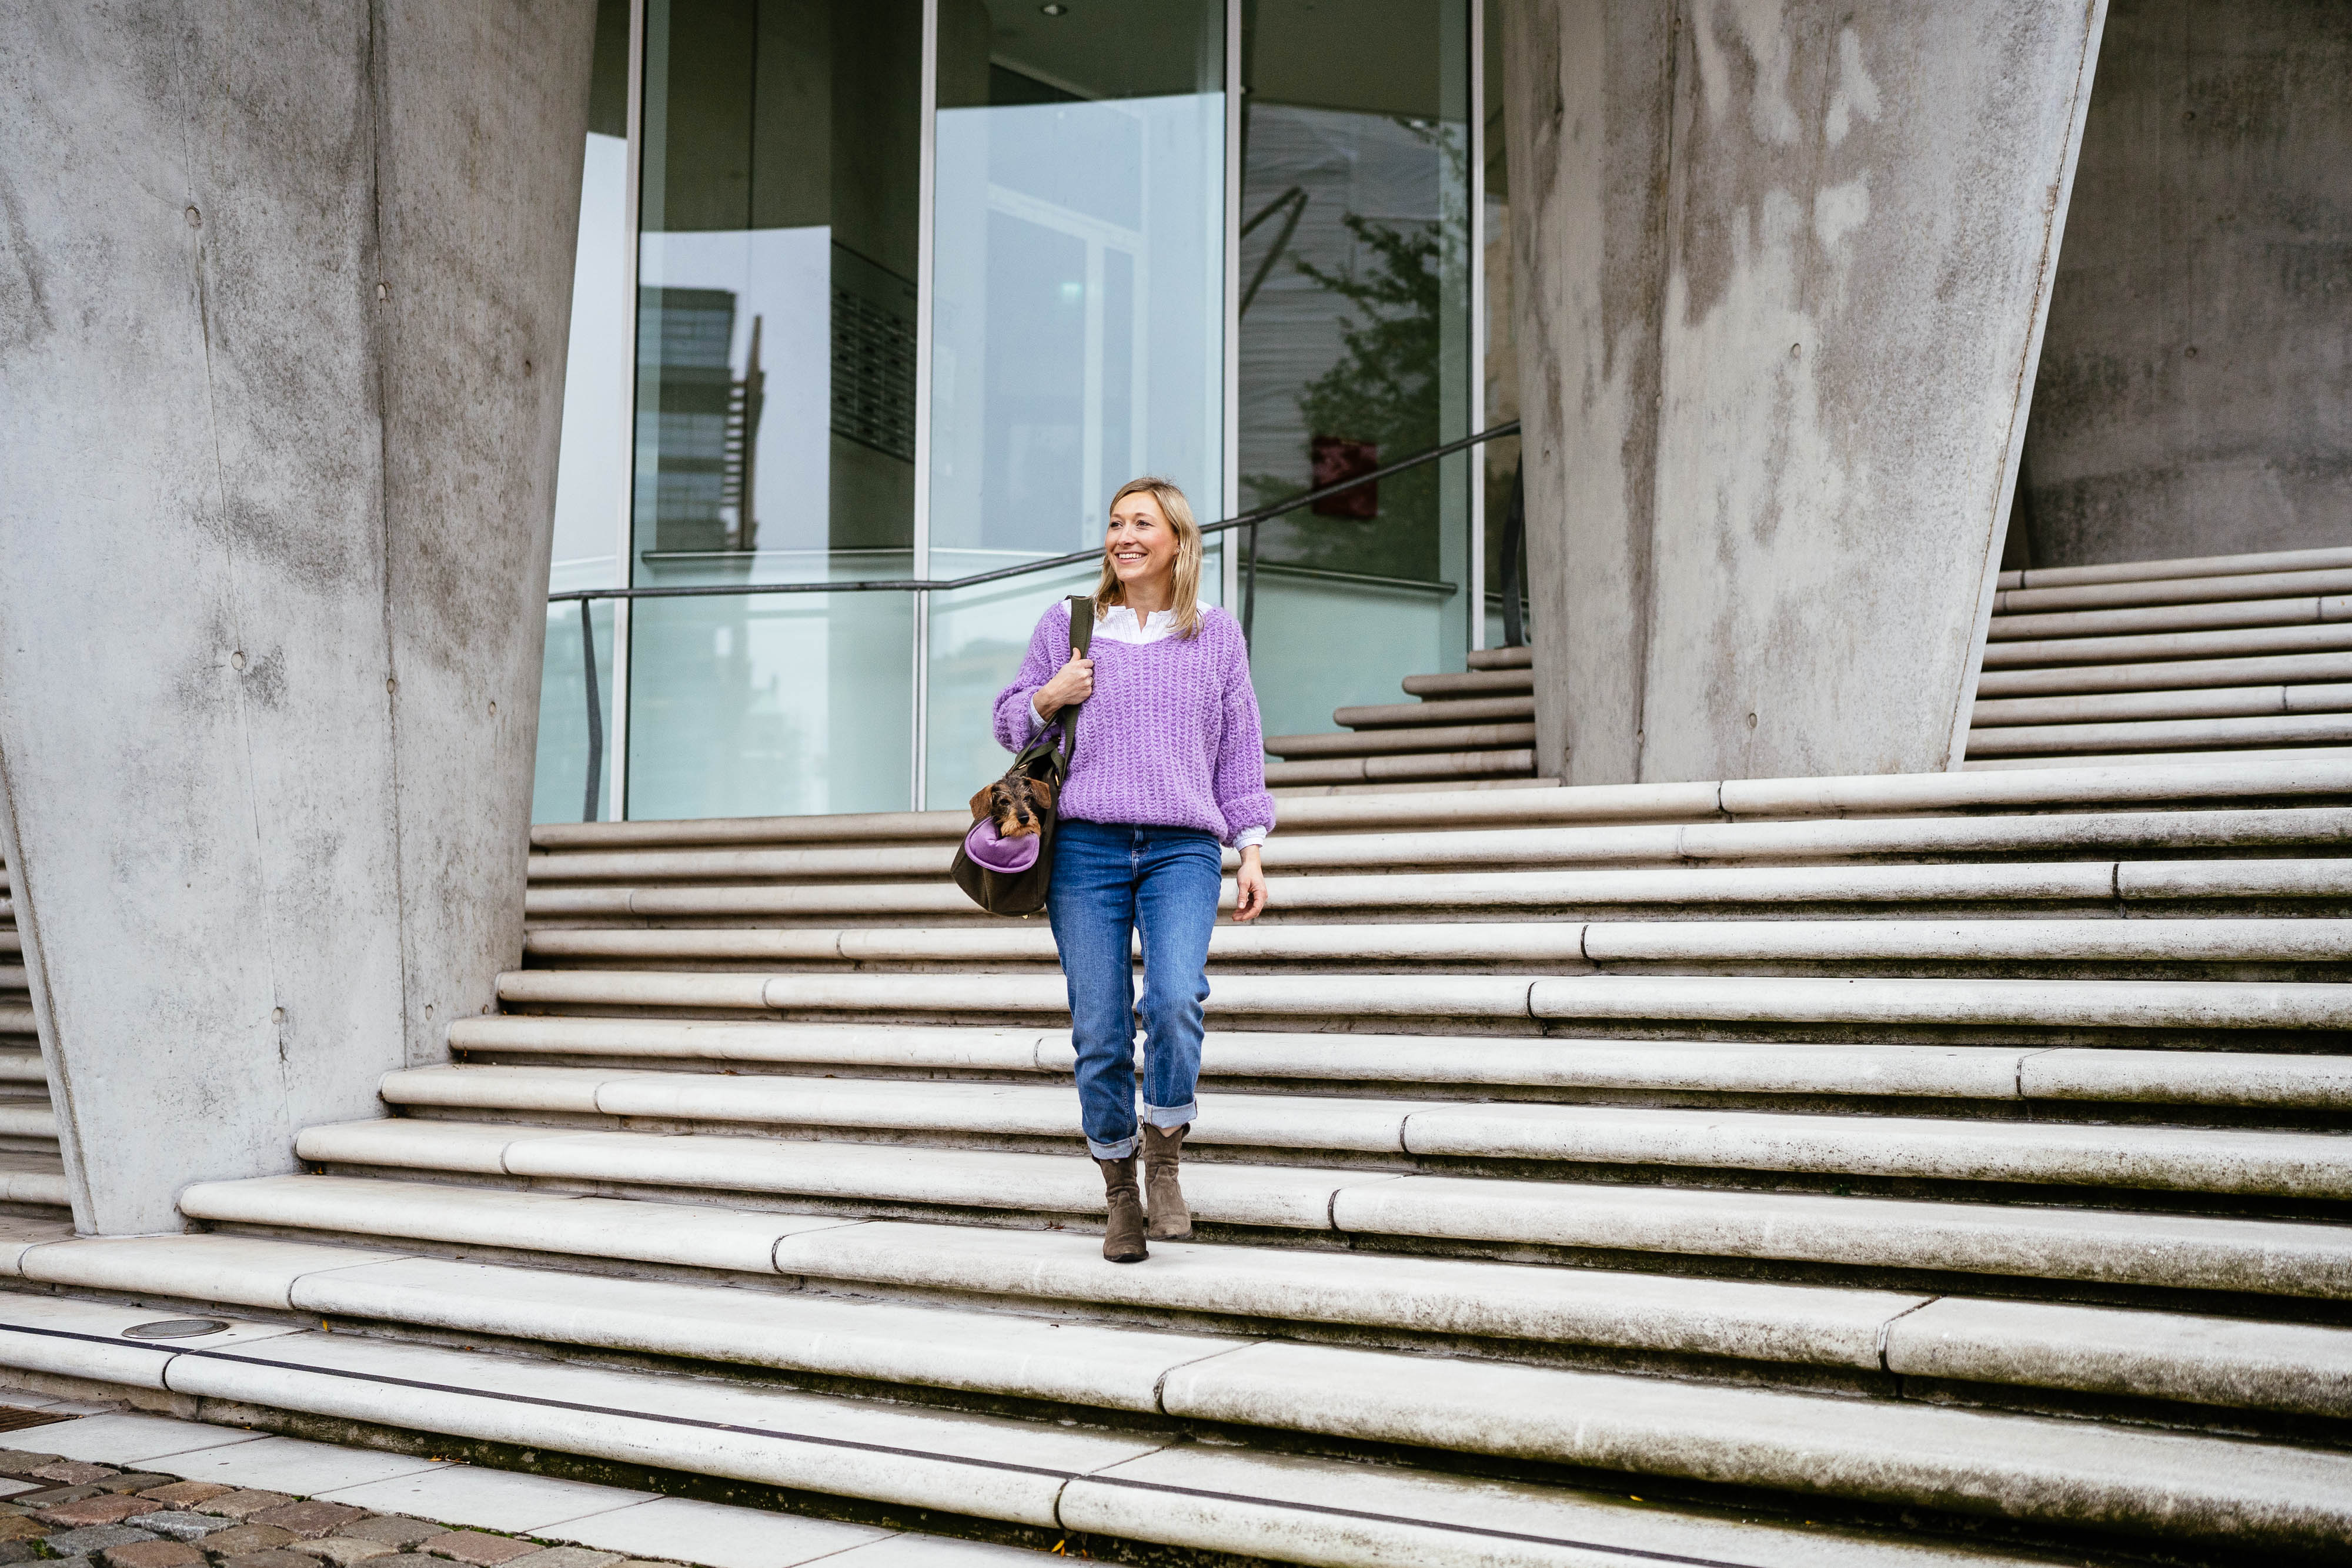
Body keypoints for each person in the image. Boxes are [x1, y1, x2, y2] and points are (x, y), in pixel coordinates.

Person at [994, 477, 1275, 1263]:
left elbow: (1240, 748)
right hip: (1085, 849)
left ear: (1177, 541)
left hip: (1183, 847)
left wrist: (1251, 850)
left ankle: (1165, 1152)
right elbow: (1008, 721)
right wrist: (1050, 695)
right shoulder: (1070, 624)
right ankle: (1119, 1188)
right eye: (1116, 523)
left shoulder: (1216, 634)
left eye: (1142, 523)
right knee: (1101, 1028)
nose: (1124, 536)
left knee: (1176, 1000)